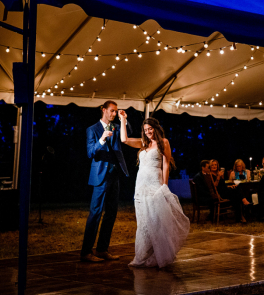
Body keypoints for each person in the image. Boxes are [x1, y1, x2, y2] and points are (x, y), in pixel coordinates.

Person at [119, 115, 189, 267]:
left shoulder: (164, 142)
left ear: (156, 128)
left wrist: (164, 186)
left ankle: (160, 255)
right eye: (145, 130)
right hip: (141, 186)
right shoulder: (144, 143)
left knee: (156, 221)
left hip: (154, 185)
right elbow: (124, 139)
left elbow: (165, 165)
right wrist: (123, 120)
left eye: (150, 129)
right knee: (143, 222)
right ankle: (142, 256)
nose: (148, 132)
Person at [80, 101, 130, 262]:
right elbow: (89, 153)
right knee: (95, 213)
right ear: (104, 110)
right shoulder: (92, 129)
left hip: (114, 175)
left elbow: (127, 135)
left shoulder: (116, 126)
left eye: (116, 111)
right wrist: (101, 139)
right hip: (100, 176)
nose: (114, 114)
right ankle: (86, 252)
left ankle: (102, 249)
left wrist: (124, 120)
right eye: (112, 111)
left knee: (111, 213)